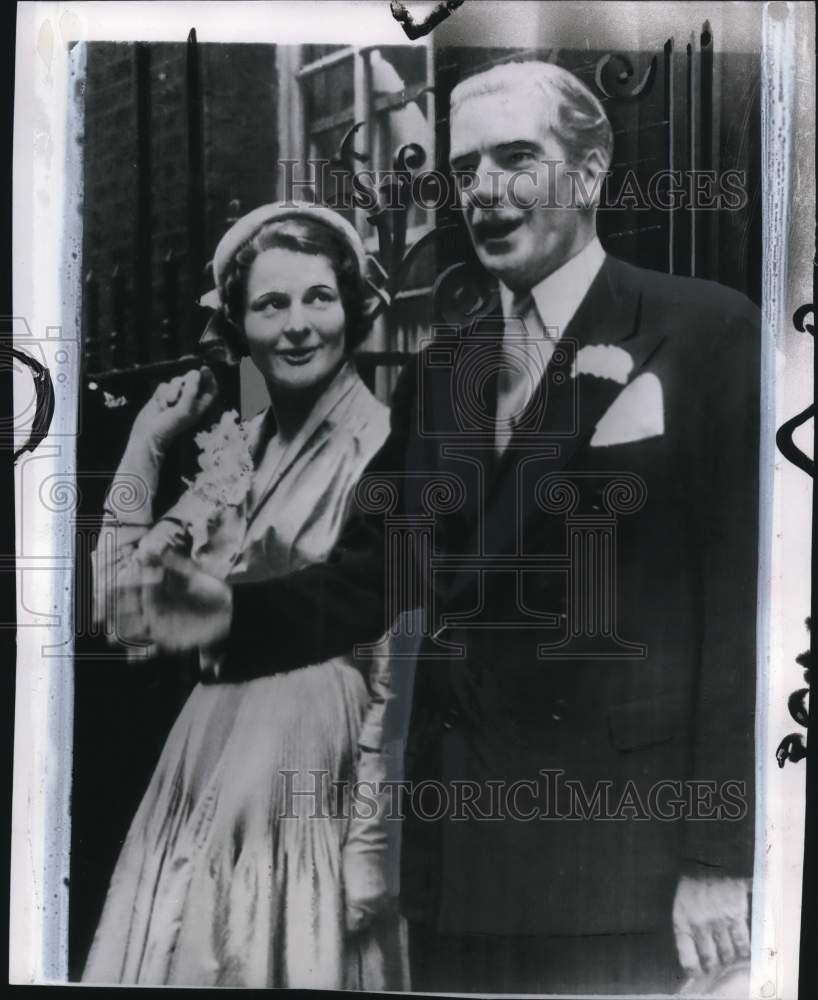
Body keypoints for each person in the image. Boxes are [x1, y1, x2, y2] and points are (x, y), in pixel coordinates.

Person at [130, 62, 761, 994]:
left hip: (622, 856)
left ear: (588, 174)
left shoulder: (705, 331)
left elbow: (748, 605)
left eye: (517, 159)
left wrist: (719, 855)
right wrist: (230, 614)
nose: (486, 194)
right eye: (466, 171)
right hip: (457, 862)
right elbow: (371, 572)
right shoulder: (445, 372)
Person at [81, 203, 407, 989]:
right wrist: (145, 446)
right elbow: (119, 606)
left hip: (308, 758)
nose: (297, 326)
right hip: (209, 742)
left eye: (317, 298)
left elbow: (397, 669)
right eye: (271, 304)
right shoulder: (239, 451)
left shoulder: (388, 447)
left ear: (353, 309)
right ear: (239, 324)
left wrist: (373, 842)